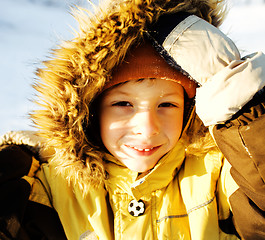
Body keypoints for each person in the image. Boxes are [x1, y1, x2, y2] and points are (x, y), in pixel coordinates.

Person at [1, 0, 265, 239]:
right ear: (90, 112)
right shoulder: (47, 185)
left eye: (167, 104)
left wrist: (242, 109)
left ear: (189, 109)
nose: (148, 128)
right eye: (123, 104)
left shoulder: (224, 172)